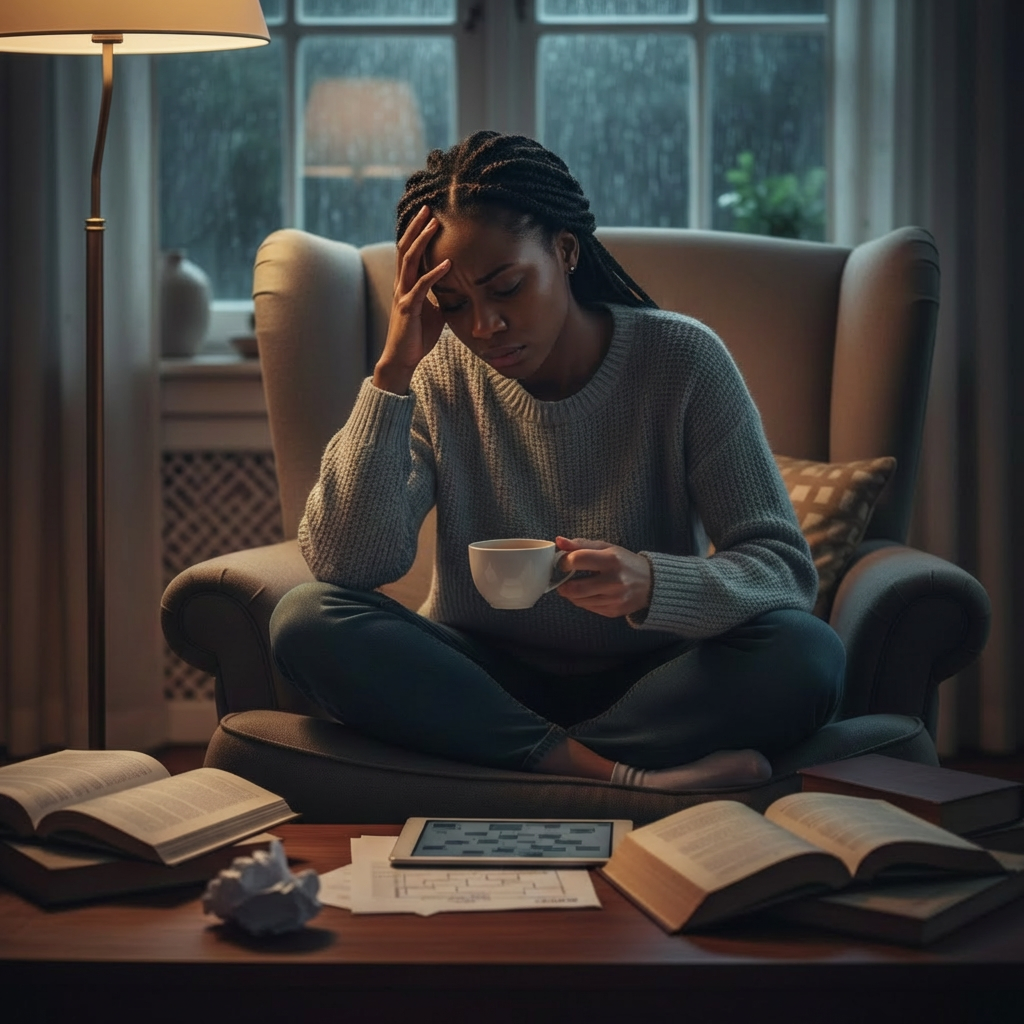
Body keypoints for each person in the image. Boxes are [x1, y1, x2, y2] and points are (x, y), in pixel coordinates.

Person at [270, 130, 845, 792]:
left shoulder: (683, 362)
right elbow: (350, 563)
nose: (484, 325)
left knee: (809, 654)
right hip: (480, 676)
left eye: (507, 287)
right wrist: (392, 373)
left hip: (654, 682)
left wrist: (653, 582)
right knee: (305, 618)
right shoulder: (435, 375)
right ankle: (609, 773)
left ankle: (532, 763)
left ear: (565, 250)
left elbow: (784, 571)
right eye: (454, 304)